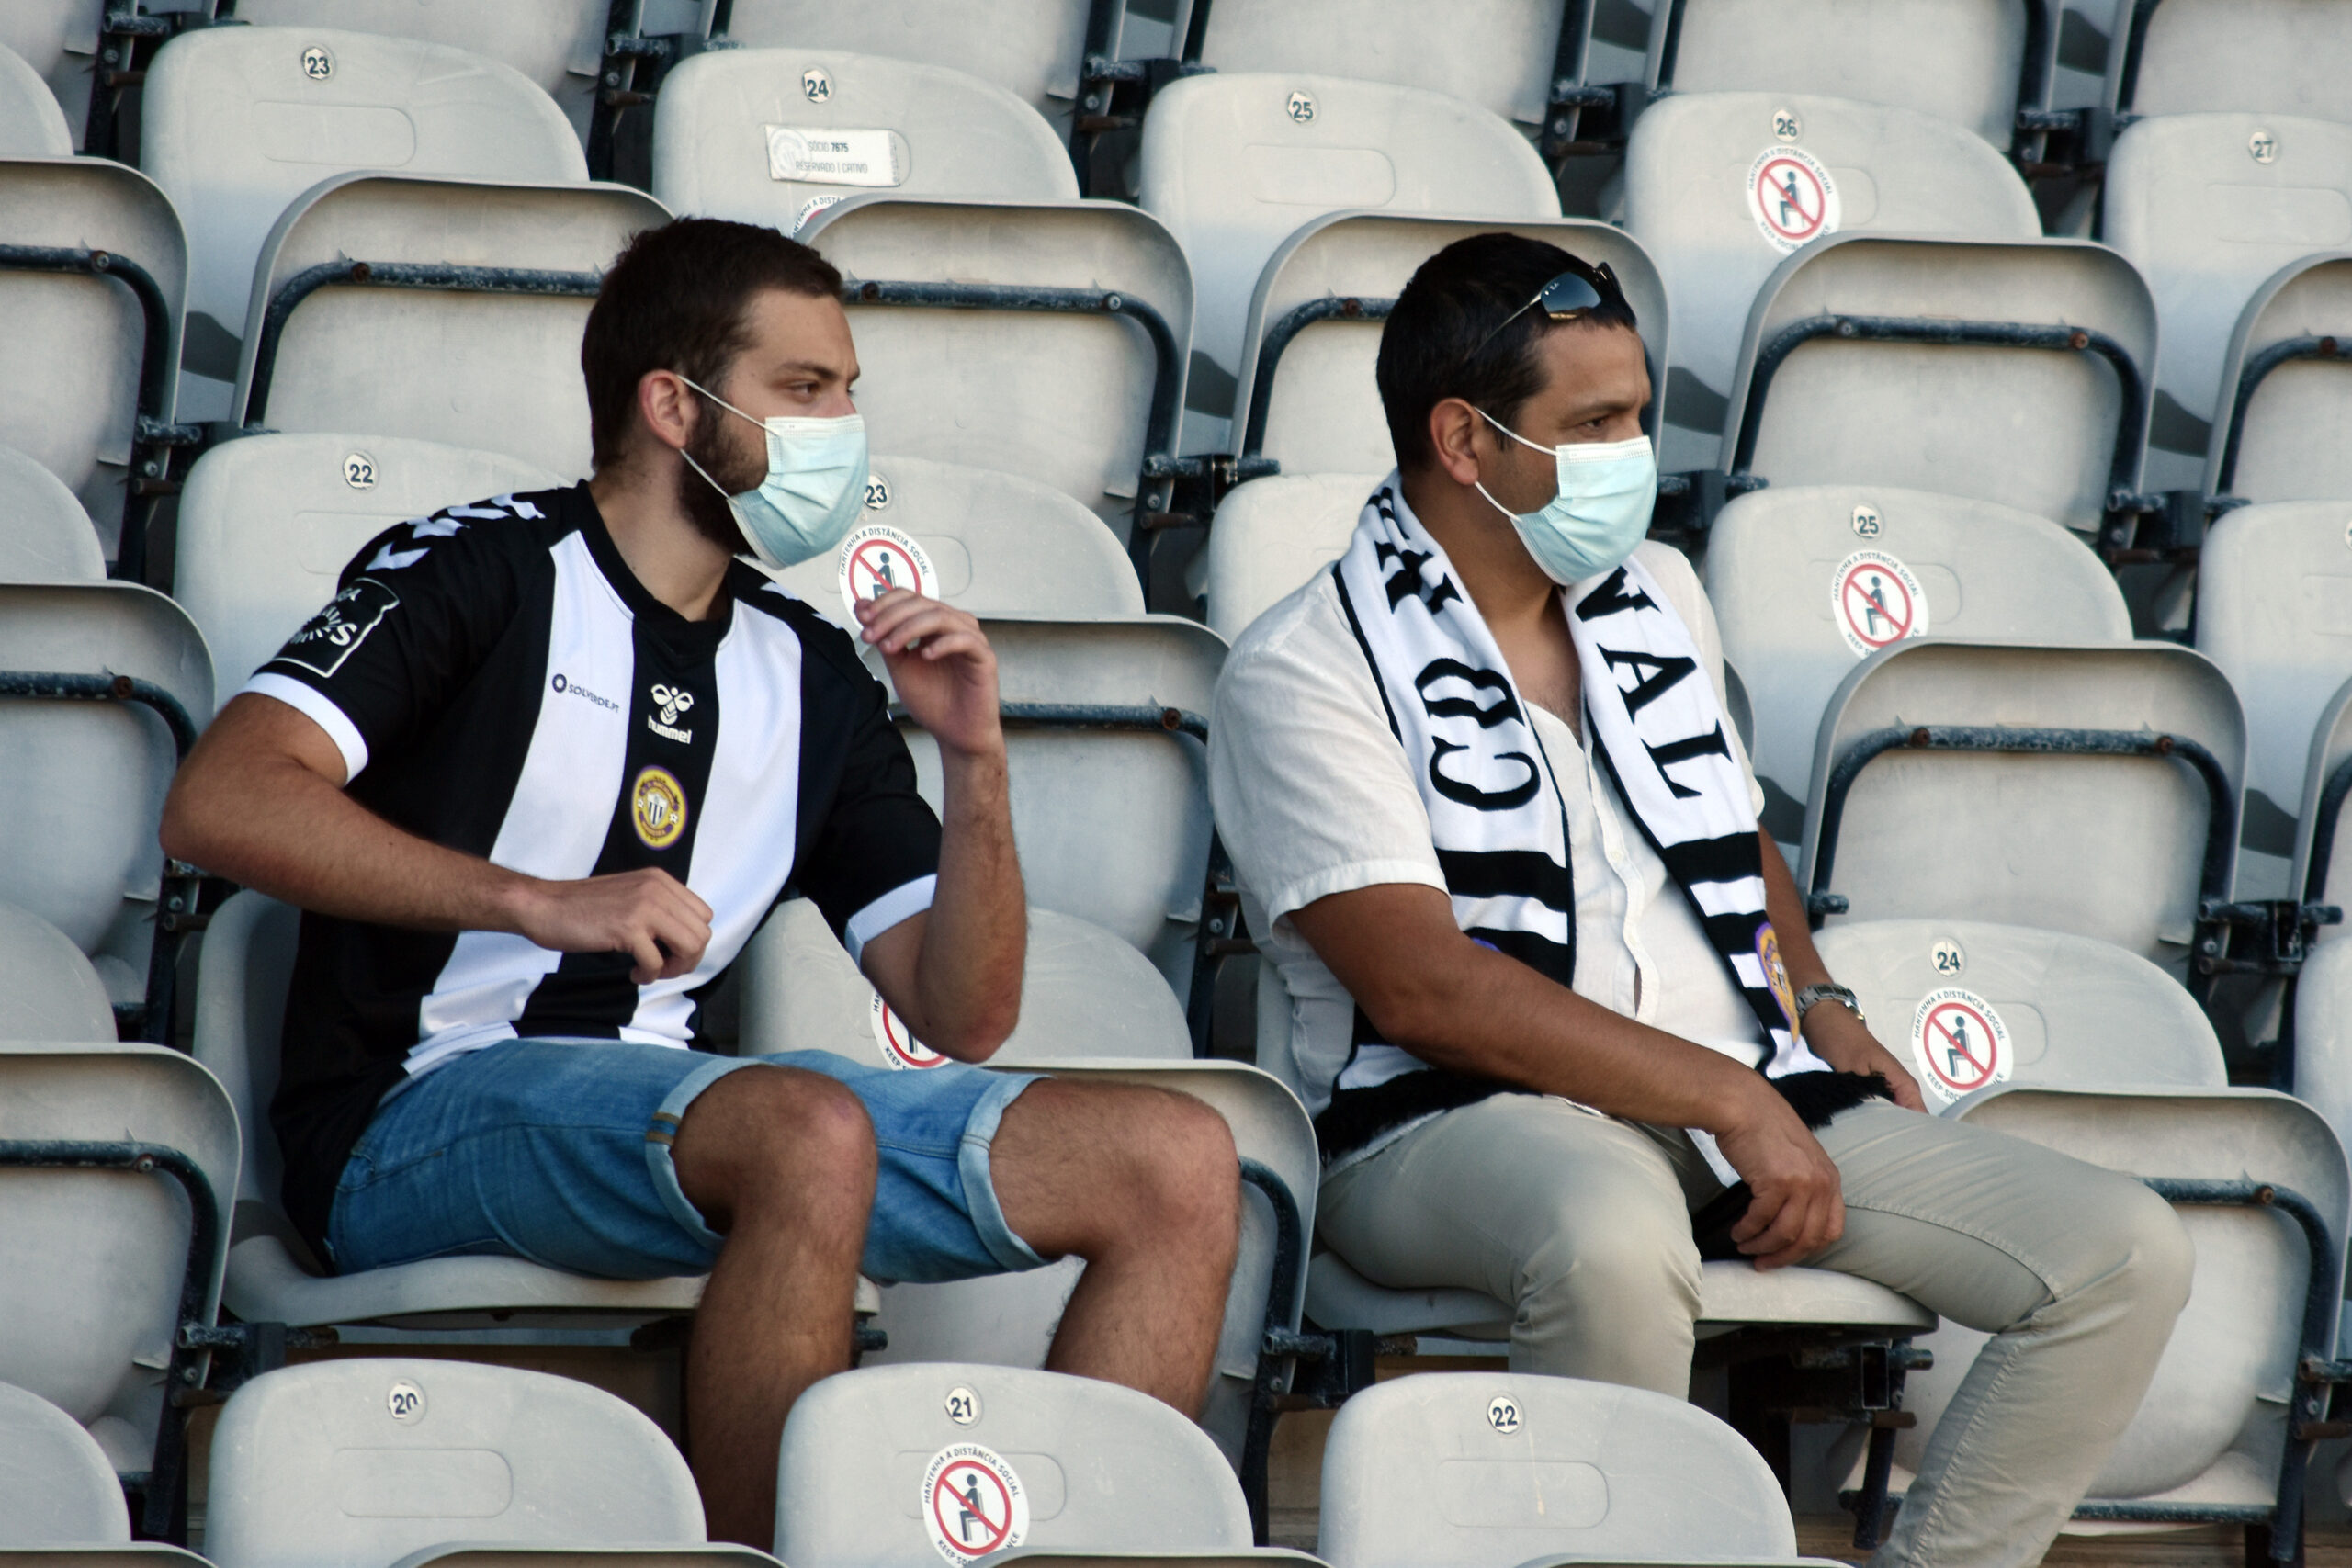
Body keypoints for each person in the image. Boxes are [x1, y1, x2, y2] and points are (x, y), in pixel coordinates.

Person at [162, 217, 1240, 1544]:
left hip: (682, 1120)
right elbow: (218, 801)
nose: (844, 431)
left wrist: (976, 763)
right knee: (804, 1131)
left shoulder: (814, 669)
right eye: (805, 389)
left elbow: (964, 1011)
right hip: (411, 1113)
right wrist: (537, 901)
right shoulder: (478, 567)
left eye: (848, 393)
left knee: (1179, 1161)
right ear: (674, 407)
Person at [1206, 232, 2191, 1568]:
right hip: (1449, 1118)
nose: (1635, 455)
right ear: (1464, 440)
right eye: (1594, 423)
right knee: (1611, 1238)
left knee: (2120, 1251)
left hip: (1742, 1076)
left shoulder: (1655, 594)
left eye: (1638, 415)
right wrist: (1730, 1101)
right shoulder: (1305, 667)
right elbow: (1424, 992)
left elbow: (1726, 830)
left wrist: (1821, 1003)